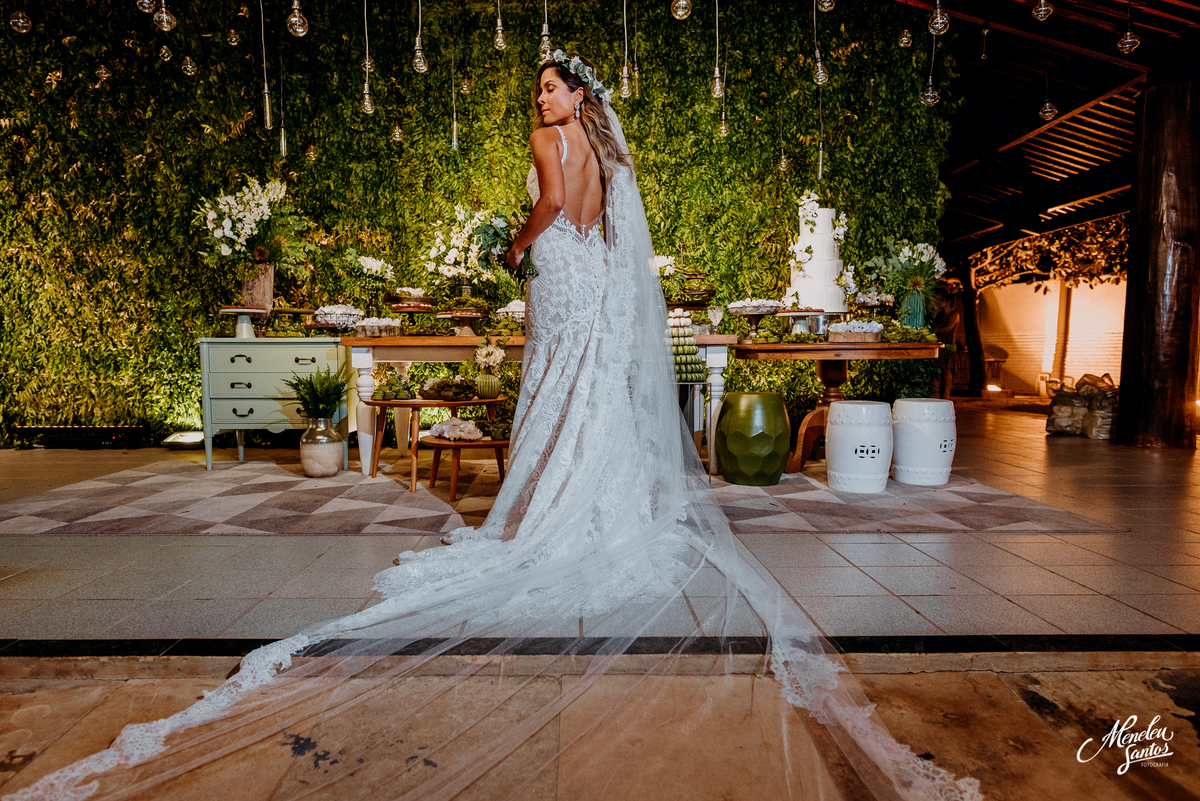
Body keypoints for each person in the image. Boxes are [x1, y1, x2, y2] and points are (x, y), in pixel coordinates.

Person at [6, 54, 982, 801]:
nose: (542, 102)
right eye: (540, 92)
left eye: (551, 89)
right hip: (598, 276)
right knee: (584, 393)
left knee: (554, 390)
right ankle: (585, 506)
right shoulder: (613, 146)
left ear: (571, 97)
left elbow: (555, 209)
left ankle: (549, 518)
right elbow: (605, 220)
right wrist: (558, 246)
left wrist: (509, 246)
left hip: (561, 272)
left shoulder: (550, 147)